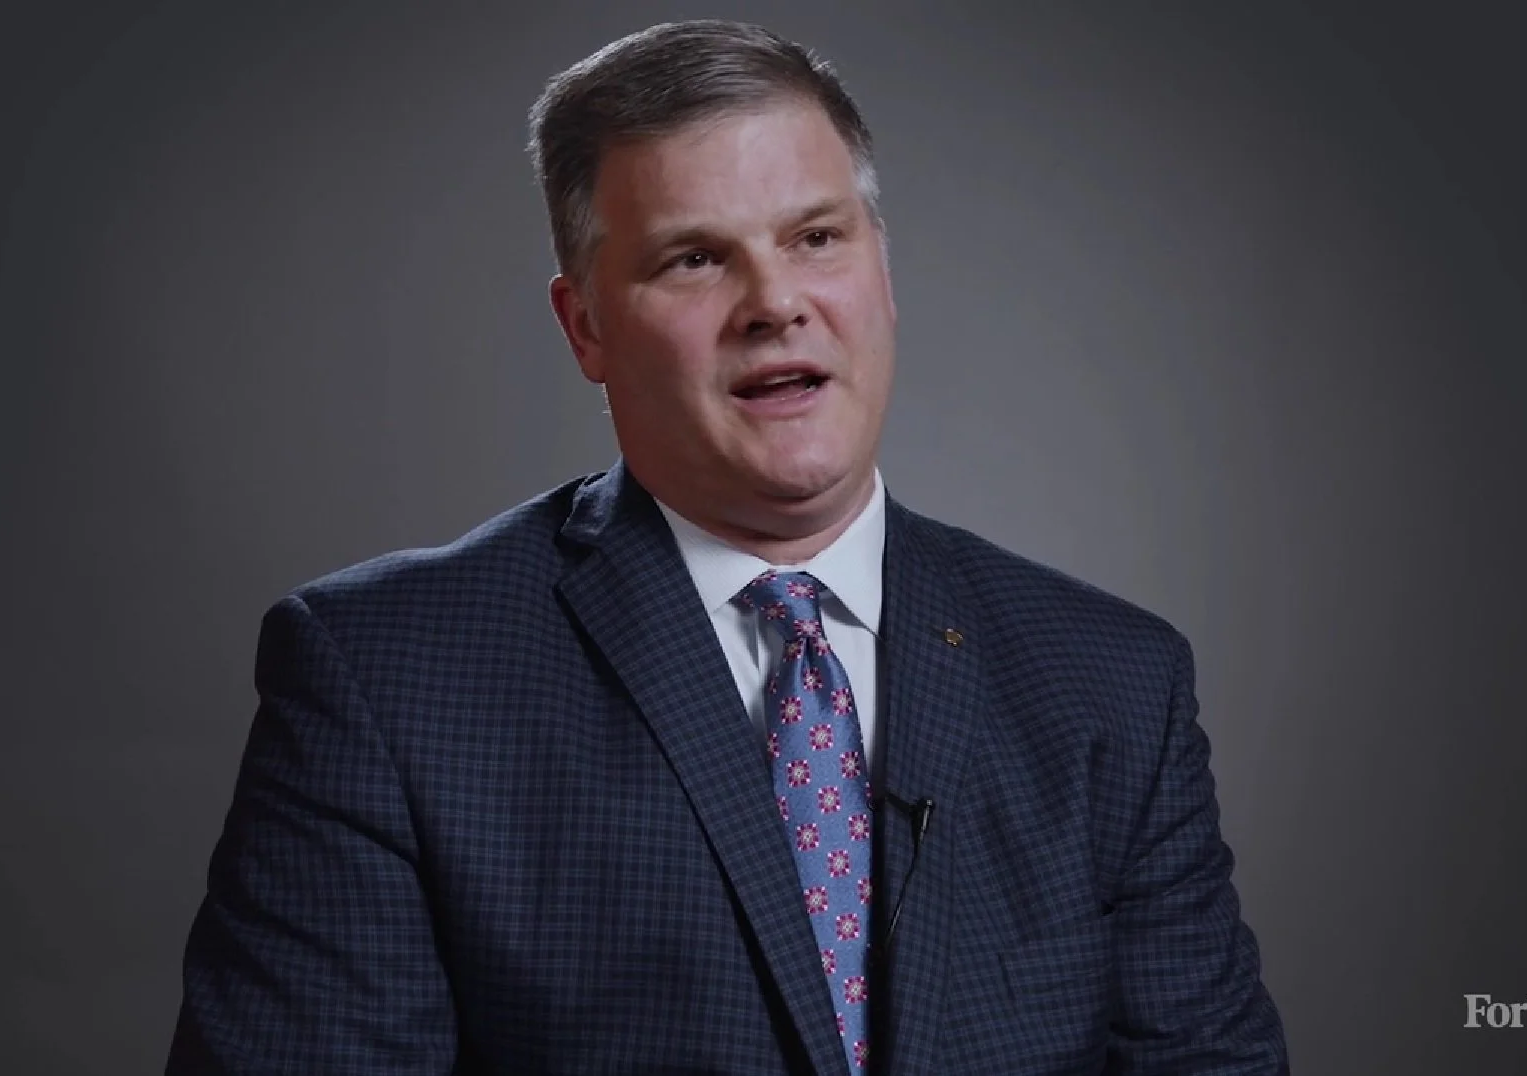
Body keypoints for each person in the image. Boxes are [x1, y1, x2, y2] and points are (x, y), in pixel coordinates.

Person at [165, 18, 1288, 1075]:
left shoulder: (1114, 681)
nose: (774, 303)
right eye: (695, 259)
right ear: (586, 326)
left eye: (816, 238)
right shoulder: (385, 678)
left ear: (883, 271)